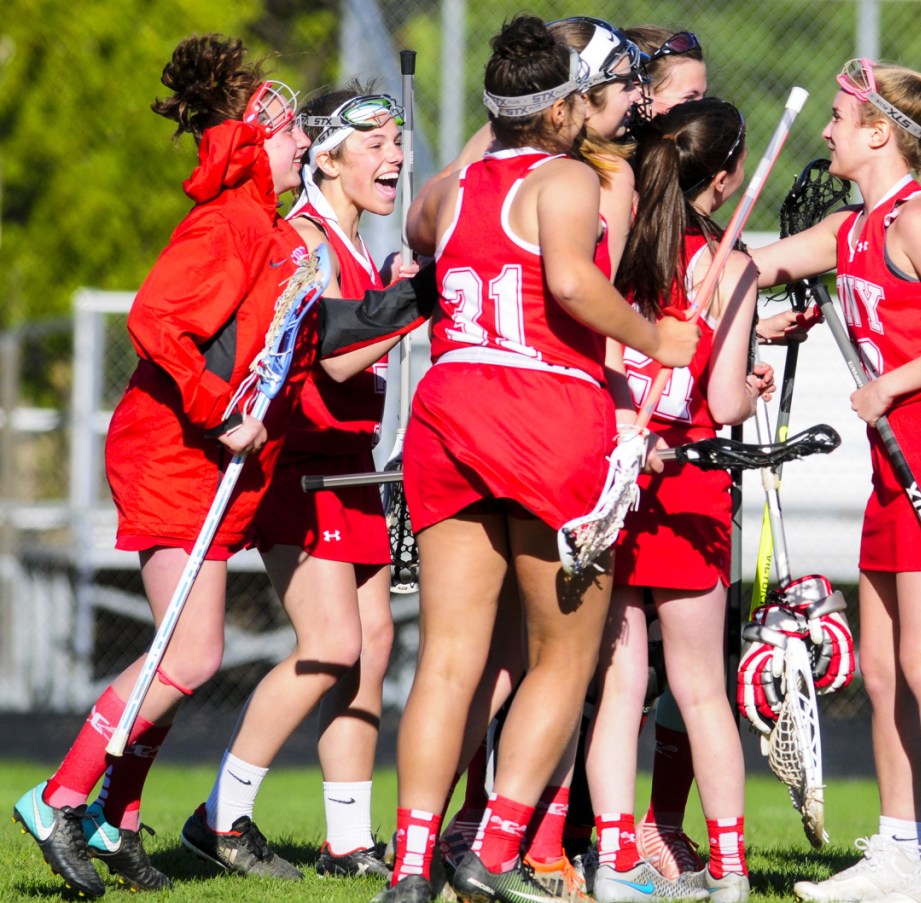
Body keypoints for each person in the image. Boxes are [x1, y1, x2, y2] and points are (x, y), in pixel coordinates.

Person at [11, 34, 434, 898]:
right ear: (251, 145)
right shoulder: (231, 224)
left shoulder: (275, 238)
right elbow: (154, 322)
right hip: (176, 452)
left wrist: (417, 291)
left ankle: (118, 820)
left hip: (216, 462)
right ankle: (61, 795)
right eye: (285, 139)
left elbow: (326, 341)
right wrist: (221, 408)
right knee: (189, 652)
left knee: (187, 652)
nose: (296, 150)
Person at [377, 16, 700, 903]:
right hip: (544, 411)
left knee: (448, 654)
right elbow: (569, 281)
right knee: (565, 653)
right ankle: (494, 847)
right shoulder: (566, 178)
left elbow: (417, 228)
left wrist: (498, 123)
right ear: (561, 109)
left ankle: (409, 867)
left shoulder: (450, 189)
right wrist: (656, 338)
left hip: (446, 411)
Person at [750, 58, 921, 903]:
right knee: (883, 669)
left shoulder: (915, 219)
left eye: (836, 117)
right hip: (895, 462)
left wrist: (892, 383)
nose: (825, 131)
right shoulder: (849, 228)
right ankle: (899, 847)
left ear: (875, 134)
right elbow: (756, 267)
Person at [180, 83, 415, 881]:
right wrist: (420, 292)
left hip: (355, 466)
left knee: (371, 649)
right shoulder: (307, 238)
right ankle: (221, 814)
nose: (394, 157)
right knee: (331, 644)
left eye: (398, 141)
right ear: (328, 154)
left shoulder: (352, 246)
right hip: (305, 466)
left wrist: (395, 287)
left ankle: (347, 839)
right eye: (376, 142)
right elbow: (340, 356)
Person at [586, 99, 773, 903]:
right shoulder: (732, 268)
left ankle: (614, 859)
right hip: (688, 482)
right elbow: (726, 401)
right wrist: (750, 376)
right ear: (726, 177)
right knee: (699, 686)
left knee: (621, 683)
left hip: (616, 473)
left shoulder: (616, 247)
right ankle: (728, 871)